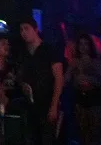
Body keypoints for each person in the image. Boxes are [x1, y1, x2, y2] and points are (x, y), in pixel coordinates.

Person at [19, 17, 63, 145]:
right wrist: (22, 84)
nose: (23, 32)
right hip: (30, 106)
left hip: (47, 103)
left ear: (36, 29)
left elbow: (59, 78)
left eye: (26, 28)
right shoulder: (23, 53)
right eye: (21, 30)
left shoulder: (49, 50)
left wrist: (54, 105)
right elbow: (20, 75)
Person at [66, 34, 101, 145]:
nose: (83, 47)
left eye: (86, 44)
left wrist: (90, 79)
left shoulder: (96, 61)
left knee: (95, 133)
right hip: (80, 100)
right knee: (83, 133)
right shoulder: (74, 61)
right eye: (81, 44)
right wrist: (71, 69)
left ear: (90, 46)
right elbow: (67, 79)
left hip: (95, 99)